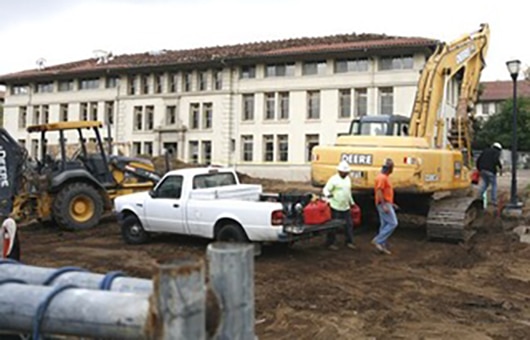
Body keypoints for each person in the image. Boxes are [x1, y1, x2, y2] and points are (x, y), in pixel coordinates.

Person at [323, 160, 356, 250]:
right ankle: (330, 243)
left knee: (349, 225)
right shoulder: (334, 179)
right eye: (344, 172)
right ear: (339, 171)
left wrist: (352, 203)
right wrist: (328, 196)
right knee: (333, 226)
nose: (345, 174)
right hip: (335, 206)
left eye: (346, 172)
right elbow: (326, 190)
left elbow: (348, 192)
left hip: (345, 206)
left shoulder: (348, 179)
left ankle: (349, 241)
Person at [372, 159, 398, 255]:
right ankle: (378, 240)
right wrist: (384, 205)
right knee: (393, 223)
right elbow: (379, 191)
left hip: (386, 203)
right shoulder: (382, 178)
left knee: (384, 225)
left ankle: (382, 246)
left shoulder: (383, 177)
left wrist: (391, 203)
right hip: (383, 204)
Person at [476, 142, 503, 206]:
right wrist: (500, 167)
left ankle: (479, 197)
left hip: (482, 170)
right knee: (494, 185)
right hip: (490, 171)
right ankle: (494, 201)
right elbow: (496, 160)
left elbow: (478, 160)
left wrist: (479, 169)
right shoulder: (496, 152)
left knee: (484, 184)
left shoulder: (485, 151)